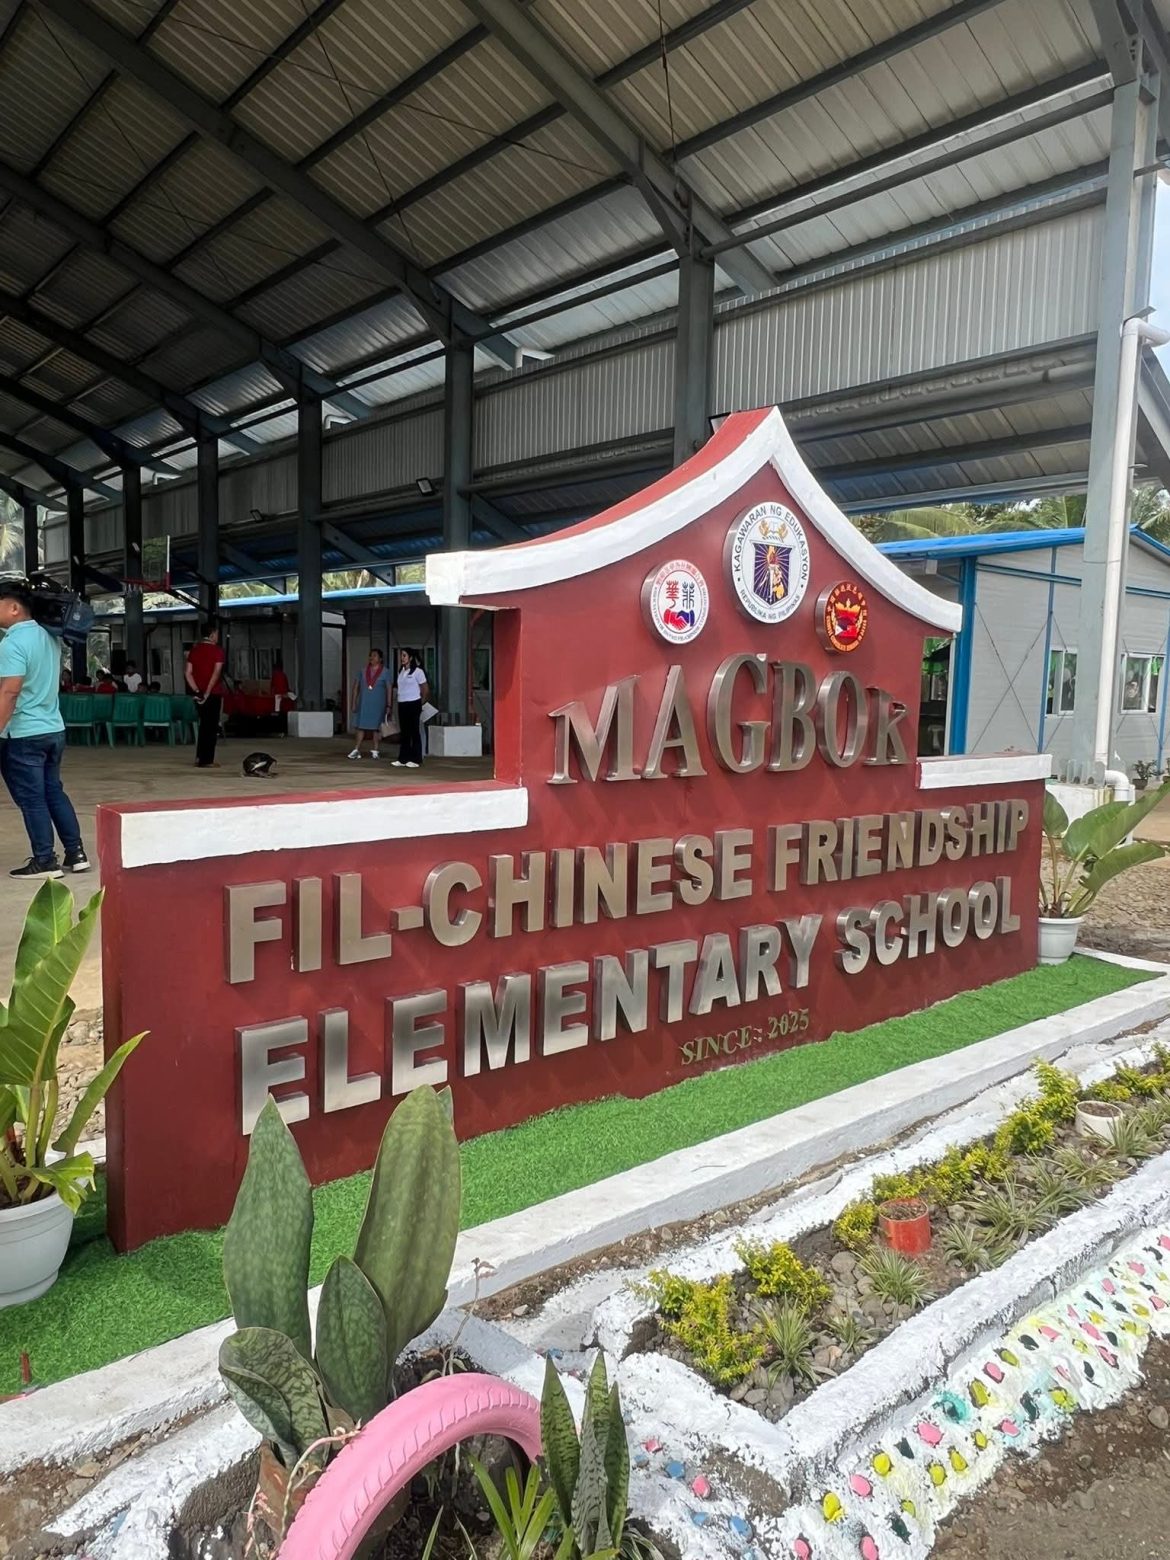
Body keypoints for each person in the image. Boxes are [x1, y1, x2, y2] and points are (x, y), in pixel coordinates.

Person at [0, 580, 89, 878]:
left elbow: (10, 692)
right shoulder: (50, 636)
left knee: (32, 798)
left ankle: (45, 860)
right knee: (53, 791)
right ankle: (76, 853)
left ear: (14, 607)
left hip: (25, 733)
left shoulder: (12, 643)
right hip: (53, 730)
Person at [185, 622, 226, 769]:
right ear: (212, 634)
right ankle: (207, 760)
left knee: (203, 725)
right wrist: (207, 692)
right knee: (211, 726)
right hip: (213, 693)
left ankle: (199, 757)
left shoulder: (194, 650)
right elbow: (216, 673)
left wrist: (197, 691)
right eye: (217, 634)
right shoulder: (217, 651)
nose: (217, 636)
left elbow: (188, 673)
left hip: (198, 694)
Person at [348, 649, 392, 759]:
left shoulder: (385, 672)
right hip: (364, 703)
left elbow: (389, 689)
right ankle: (356, 749)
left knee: (376, 727)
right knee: (360, 726)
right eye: (370, 655)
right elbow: (356, 687)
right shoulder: (363, 671)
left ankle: (375, 750)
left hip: (378, 704)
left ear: (380, 659)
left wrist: (389, 705)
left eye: (374, 656)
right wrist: (353, 702)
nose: (371, 658)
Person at [394, 647, 428, 769]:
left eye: (404, 655)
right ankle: (403, 758)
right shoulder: (401, 671)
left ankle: (416, 758)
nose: (402, 658)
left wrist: (420, 703)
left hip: (413, 703)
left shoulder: (418, 672)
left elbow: (425, 689)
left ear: (411, 657)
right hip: (402, 703)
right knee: (404, 732)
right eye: (401, 655)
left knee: (414, 731)